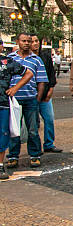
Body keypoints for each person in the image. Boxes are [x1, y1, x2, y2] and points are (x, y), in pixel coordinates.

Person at [6, 33, 48, 168]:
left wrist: (38, 98)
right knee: (14, 129)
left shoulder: (36, 59)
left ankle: (34, 155)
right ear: (17, 42)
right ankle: (13, 156)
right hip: (14, 99)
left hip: (31, 99)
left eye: (29, 41)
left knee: (33, 129)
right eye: (23, 41)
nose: (26, 43)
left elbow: (41, 81)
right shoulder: (10, 58)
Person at [0, 39, 34, 178]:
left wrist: (15, 88)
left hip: (2, 103)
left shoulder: (7, 62)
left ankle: (0, 165)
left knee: (3, 134)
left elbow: (28, 73)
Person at [30, 35, 62, 153]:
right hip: (31, 95)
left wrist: (50, 91)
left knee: (49, 119)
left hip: (45, 95)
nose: (34, 43)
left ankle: (49, 143)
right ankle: (35, 147)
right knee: (33, 123)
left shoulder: (45, 56)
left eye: (36, 41)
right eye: (32, 41)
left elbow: (51, 74)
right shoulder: (26, 58)